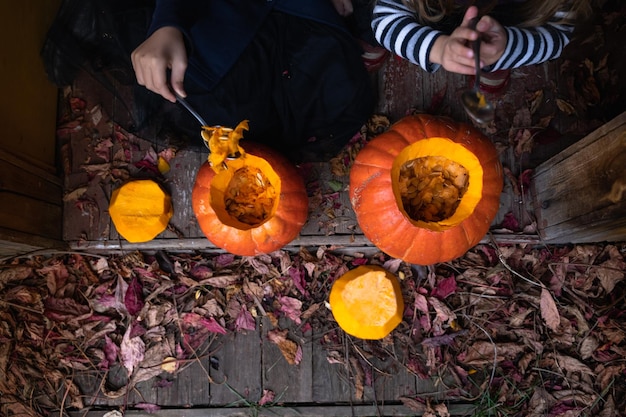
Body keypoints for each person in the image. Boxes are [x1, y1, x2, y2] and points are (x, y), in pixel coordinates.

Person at [131, 0, 377, 161]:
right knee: (220, 111)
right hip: (219, 18)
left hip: (302, 10)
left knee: (335, 90)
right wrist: (166, 24)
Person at [371, 0, 591, 92]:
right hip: (435, 26)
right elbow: (386, 22)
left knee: (496, 56)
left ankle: (495, 63)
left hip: (511, 35)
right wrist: (438, 48)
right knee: (410, 41)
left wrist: (506, 49)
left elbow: (556, 37)